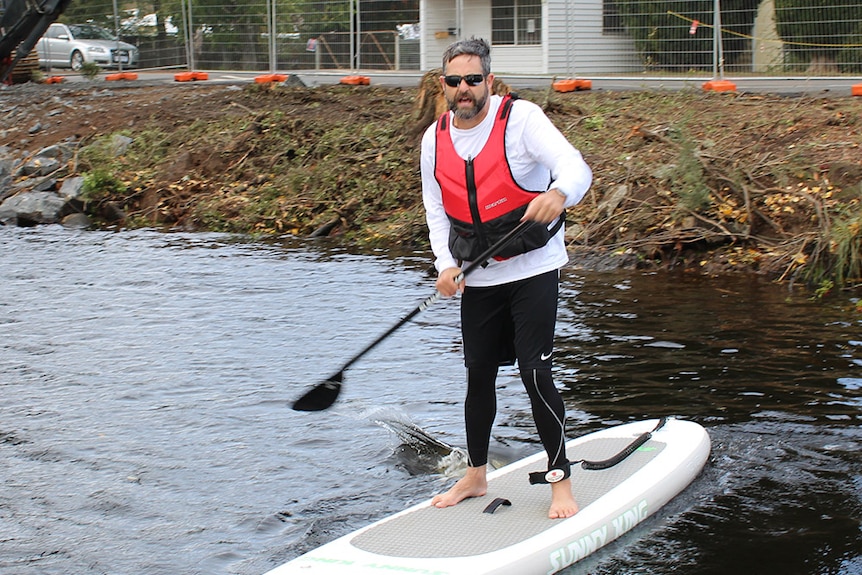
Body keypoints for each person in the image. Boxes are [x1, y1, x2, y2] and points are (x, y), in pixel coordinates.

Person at [420, 38, 592, 520]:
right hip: (480, 274)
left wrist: (559, 193)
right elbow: (436, 211)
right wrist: (445, 265)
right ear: (444, 86)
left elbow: (576, 168)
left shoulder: (522, 119)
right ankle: (475, 475)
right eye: (455, 81)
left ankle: (561, 482)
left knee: (535, 372)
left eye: (474, 80)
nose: (465, 89)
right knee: (479, 374)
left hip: (534, 269)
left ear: (489, 82)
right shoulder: (433, 140)